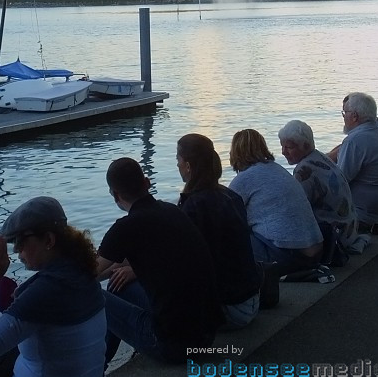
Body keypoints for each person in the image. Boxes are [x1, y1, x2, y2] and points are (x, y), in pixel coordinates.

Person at [0, 196, 106, 377]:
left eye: (20, 241)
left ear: (48, 240)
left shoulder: (45, 292)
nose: (17, 250)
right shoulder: (83, 275)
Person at [97, 158, 222, 364]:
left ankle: (98, 366)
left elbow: (85, 275)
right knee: (119, 286)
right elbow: (116, 263)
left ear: (115, 195)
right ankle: (103, 363)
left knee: (92, 295)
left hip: (171, 344)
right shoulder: (171, 211)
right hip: (206, 335)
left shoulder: (125, 227)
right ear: (146, 183)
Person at [175, 134, 261, 328]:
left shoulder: (194, 207)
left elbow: (185, 263)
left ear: (188, 166)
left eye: (178, 160)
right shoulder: (230, 196)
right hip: (251, 300)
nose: (177, 165)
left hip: (229, 310)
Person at [228, 128, 323, 274]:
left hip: (289, 256)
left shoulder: (244, 179)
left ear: (235, 152)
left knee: (229, 237)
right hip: (316, 252)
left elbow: (226, 217)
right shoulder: (278, 170)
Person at [278, 119, 357, 248]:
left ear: (306, 146)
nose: (283, 152)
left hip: (335, 238)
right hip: (349, 231)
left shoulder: (304, 170)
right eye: (282, 146)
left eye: (289, 147)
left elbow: (297, 210)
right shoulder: (322, 158)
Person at [333, 93, 378, 233]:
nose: (343, 117)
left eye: (345, 113)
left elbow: (340, 182)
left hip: (364, 214)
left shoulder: (355, 140)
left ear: (355, 116)